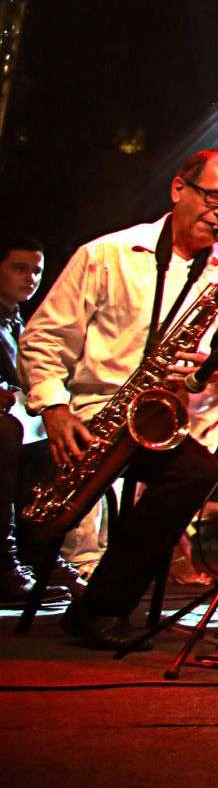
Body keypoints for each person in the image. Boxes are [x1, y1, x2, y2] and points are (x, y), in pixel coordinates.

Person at [19, 151, 218, 649]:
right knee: (190, 472)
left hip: (203, 413)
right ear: (179, 189)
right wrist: (54, 408)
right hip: (108, 412)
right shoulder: (105, 254)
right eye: (213, 197)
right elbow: (43, 340)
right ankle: (100, 607)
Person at [0, 231, 48, 601]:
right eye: (19, 268)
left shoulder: (21, 321)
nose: (30, 278)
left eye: (35, 271)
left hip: (16, 414)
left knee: (58, 431)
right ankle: (5, 560)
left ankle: (42, 554)